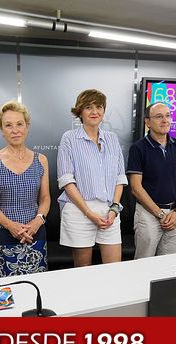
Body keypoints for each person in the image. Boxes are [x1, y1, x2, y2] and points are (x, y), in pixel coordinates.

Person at [57, 89, 128, 267]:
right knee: (83, 272)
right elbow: (66, 180)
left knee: (114, 270)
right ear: (80, 111)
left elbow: (120, 178)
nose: (94, 111)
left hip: (109, 212)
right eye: (88, 107)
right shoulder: (69, 138)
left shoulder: (112, 139)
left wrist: (114, 209)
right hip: (80, 211)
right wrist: (89, 213)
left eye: (99, 107)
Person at [0, 101, 50, 278]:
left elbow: (45, 198)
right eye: (8, 125)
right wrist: (10, 226)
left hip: (35, 235)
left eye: (20, 124)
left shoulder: (41, 160)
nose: (15, 130)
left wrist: (37, 222)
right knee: (1, 295)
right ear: (1, 129)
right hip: (1, 235)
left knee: (36, 290)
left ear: (27, 126)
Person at [127, 102, 176, 258]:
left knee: (168, 264)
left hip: (175, 215)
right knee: (144, 263)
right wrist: (160, 214)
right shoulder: (138, 148)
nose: (165, 120)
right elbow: (135, 187)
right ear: (147, 122)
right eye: (159, 116)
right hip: (148, 215)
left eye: (168, 116)